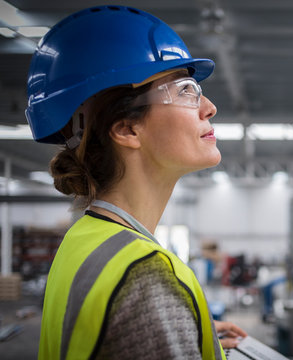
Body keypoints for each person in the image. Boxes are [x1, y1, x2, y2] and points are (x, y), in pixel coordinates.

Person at [25, 5, 246, 360]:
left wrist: (180, 330)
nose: (209, 107)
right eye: (187, 90)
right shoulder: (147, 277)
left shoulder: (84, 241)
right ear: (127, 129)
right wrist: (163, 320)